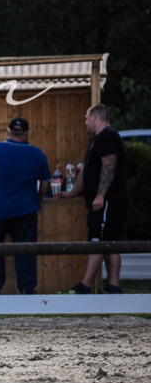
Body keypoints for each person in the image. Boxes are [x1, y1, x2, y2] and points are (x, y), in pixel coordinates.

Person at [0, 117, 52, 295]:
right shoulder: (37, 154)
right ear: (27, 133)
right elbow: (46, 183)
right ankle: (27, 290)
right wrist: (38, 199)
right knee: (26, 252)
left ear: (8, 131)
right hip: (26, 210)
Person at [62, 104, 129, 294]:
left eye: (86, 118)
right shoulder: (97, 140)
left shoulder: (108, 136)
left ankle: (85, 285)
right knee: (108, 240)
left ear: (95, 118)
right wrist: (73, 192)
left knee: (100, 240)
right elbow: (86, 171)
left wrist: (100, 195)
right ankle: (114, 287)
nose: (84, 123)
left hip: (108, 201)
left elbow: (109, 165)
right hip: (102, 201)